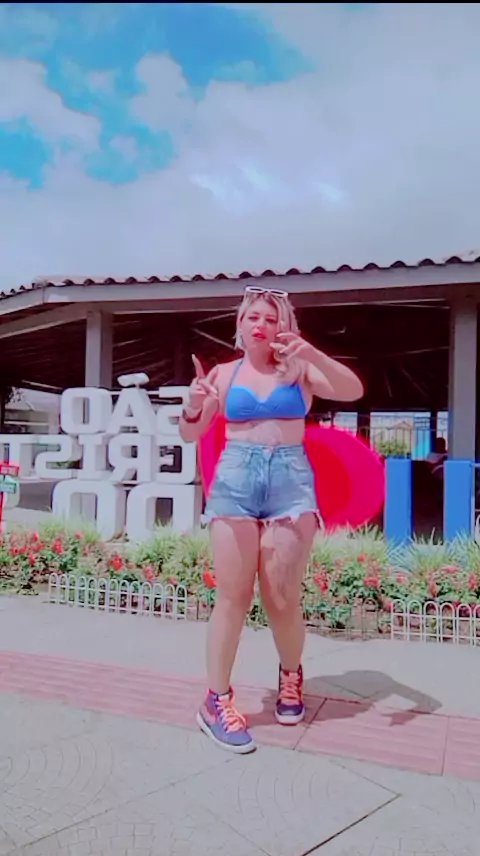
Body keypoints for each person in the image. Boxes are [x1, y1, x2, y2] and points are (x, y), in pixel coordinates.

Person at [179, 286, 363, 753]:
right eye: (253, 317)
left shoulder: (300, 370)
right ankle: (216, 702)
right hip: (235, 480)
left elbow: (353, 389)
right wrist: (193, 405)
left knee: (281, 597)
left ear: (284, 326)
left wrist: (311, 353)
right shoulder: (223, 374)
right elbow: (191, 431)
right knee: (233, 596)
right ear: (240, 326)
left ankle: (290, 675)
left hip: (290, 481)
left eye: (270, 317)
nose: (260, 324)